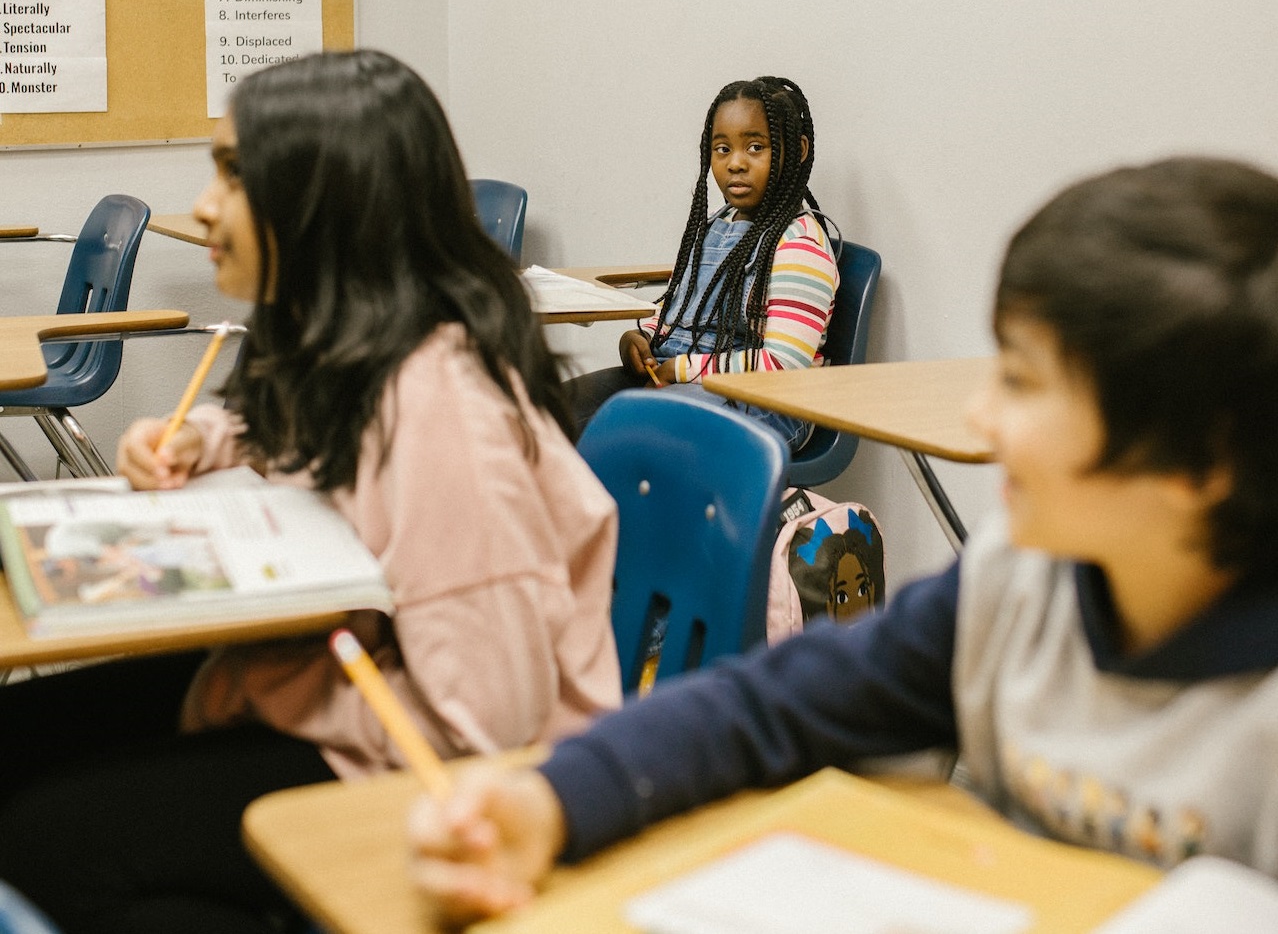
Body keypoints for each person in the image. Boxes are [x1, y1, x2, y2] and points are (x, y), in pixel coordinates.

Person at [407, 155, 1278, 923]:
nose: (982, 416)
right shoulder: (1016, 583)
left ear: (1199, 464)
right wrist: (554, 801)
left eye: (1020, 381)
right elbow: (769, 706)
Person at [0, 50, 621, 934]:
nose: (206, 207)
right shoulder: (349, 349)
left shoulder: (442, 408)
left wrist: (264, 689)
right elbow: (278, 432)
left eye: (233, 176)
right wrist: (195, 439)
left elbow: (486, 727)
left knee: (50, 844)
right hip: (327, 680)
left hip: (437, 779)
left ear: (323, 199)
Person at [568, 76, 839, 449]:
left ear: (798, 149)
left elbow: (781, 366)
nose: (736, 164)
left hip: (767, 400)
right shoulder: (714, 227)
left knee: (638, 431)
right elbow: (681, 306)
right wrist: (643, 336)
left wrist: (681, 370)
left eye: (756, 147)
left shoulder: (800, 245)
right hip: (680, 379)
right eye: (722, 149)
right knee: (549, 409)